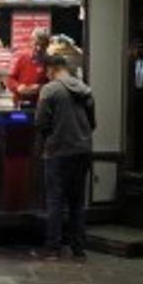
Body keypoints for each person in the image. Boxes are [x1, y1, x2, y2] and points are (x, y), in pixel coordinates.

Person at [35, 58, 96, 261]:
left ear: (52, 69)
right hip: (83, 150)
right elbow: (92, 122)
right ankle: (78, 249)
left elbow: (40, 122)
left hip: (58, 150)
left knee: (55, 200)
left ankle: (53, 248)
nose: (46, 75)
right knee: (77, 201)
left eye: (47, 71)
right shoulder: (85, 89)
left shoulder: (50, 90)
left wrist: (49, 138)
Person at [7, 28, 52, 106]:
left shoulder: (50, 62)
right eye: (36, 44)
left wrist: (40, 88)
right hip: (20, 103)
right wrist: (18, 87)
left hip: (41, 105)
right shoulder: (23, 58)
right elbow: (11, 79)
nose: (38, 48)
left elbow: (55, 85)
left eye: (42, 45)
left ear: (47, 45)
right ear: (31, 42)